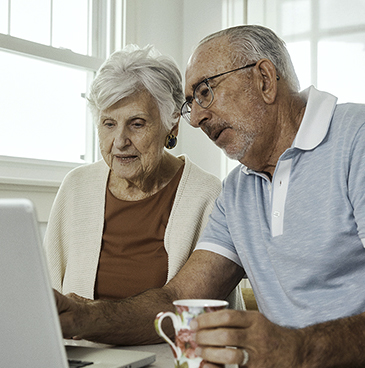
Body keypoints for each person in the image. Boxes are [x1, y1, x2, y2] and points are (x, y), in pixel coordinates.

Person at [55, 25, 365, 368]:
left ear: (264, 79)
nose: (195, 118)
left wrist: (298, 350)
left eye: (206, 91)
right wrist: (84, 317)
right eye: (191, 103)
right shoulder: (238, 190)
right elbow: (177, 301)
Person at [45, 44, 244, 345]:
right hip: (82, 359)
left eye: (136, 124)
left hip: (169, 362)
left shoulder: (208, 195)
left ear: (172, 122)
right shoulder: (76, 188)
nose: (120, 141)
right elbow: (45, 294)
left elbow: (198, 314)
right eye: (108, 123)